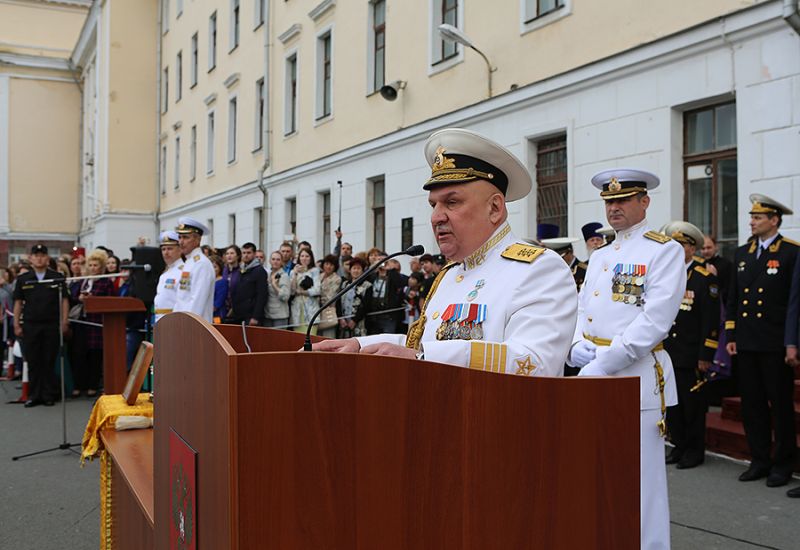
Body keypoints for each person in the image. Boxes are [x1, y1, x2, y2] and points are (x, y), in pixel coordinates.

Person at [312, 127, 576, 376]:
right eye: (433, 205)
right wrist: (359, 345)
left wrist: (424, 357)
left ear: (495, 208)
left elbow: (533, 362)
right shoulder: (450, 273)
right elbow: (421, 345)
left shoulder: (539, 269)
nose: (437, 217)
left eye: (452, 202)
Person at [567, 168, 685, 550]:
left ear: (644, 202)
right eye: (608, 202)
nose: (613, 208)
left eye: (621, 201)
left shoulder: (663, 251)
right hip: (592, 372)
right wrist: (574, 344)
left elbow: (655, 321)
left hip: (635, 378)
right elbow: (581, 308)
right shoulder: (600, 255)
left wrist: (605, 362)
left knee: (641, 482)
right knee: (595, 475)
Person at [727, 194, 798, 488]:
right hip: (746, 341)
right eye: (751, 217)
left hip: (773, 342)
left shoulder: (791, 253)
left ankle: (782, 464)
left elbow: (794, 302)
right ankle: (759, 459)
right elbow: (733, 298)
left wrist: (791, 342)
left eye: (758, 217)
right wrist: (730, 334)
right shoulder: (743, 254)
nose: (752, 222)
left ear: (774, 220)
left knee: (779, 405)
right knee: (752, 405)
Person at [661, 221, 720, 470]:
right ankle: (679, 446)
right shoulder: (665, 274)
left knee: (692, 405)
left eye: (681, 244)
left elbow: (711, 320)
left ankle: (695, 451)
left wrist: (706, 353)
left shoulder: (703, 278)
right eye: (672, 243)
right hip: (668, 351)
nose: (675, 248)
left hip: (691, 353)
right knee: (673, 404)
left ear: (691, 248)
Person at [12, 244, 69, 407]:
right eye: (36, 255)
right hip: (31, 325)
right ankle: (34, 395)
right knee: (33, 360)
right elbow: (18, 302)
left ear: (47, 258)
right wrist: (16, 324)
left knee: (49, 360)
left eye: (42, 255)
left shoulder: (57, 277)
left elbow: (64, 301)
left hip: (51, 324)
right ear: (30, 258)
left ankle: (48, 394)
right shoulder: (23, 279)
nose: (39, 258)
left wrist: (64, 321)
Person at [72, 249, 116, 397]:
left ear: (101, 266)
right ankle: (79, 385)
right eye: (90, 265)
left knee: (95, 356)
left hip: (97, 323)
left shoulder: (106, 282)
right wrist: (80, 298)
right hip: (82, 322)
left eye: (95, 265)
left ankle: (92, 386)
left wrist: (93, 299)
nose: (92, 268)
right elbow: (73, 296)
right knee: (79, 354)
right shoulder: (84, 281)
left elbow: (111, 302)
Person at [173, 217, 215, 323]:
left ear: (197, 240)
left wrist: (185, 325)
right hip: (183, 324)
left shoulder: (201, 264)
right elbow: (181, 299)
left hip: (195, 327)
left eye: (186, 237)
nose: (181, 242)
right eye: (180, 237)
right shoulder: (190, 262)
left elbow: (197, 302)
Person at [227, 242, 267, 326]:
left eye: (249, 253)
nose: (246, 255)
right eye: (244, 253)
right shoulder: (241, 269)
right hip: (239, 314)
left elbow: (262, 295)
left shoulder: (259, 271)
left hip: (251, 315)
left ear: (254, 254)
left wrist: (255, 317)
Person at [336, 256, 372, 338]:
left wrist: (354, 320)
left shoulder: (367, 285)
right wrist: (341, 318)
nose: (356, 271)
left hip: (359, 323)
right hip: (344, 322)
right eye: (354, 268)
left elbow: (366, 305)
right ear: (350, 270)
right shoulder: (344, 284)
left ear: (362, 271)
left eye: (358, 268)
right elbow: (338, 302)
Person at [153, 231, 185, 323]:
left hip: (174, 321)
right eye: (163, 249)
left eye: (170, 249)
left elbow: (182, 302)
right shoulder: (165, 274)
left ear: (179, 250)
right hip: (160, 319)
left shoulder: (183, 272)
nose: (166, 253)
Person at [290, 248, 321, 334]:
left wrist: (301, 292)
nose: (304, 258)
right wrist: (295, 273)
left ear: (311, 258)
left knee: (311, 338)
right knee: (298, 339)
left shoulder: (315, 271)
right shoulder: (293, 272)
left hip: (311, 309)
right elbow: (292, 291)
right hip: (297, 310)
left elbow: (317, 290)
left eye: (307, 256)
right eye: (302, 256)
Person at [701, 235, 733, 303]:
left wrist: (714, 278)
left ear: (716, 247)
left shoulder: (726, 264)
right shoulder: (699, 265)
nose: (706, 251)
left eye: (709, 248)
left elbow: (729, 289)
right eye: (703, 248)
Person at [317, 255, 342, 338]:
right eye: (327, 264)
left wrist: (317, 292)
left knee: (328, 337)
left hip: (328, 309)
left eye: (331, 265)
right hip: (317, 310)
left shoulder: (336, 279)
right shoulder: (319, 276)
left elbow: (330, 296)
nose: (328, 267)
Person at [264, 251, 291, 328]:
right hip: (267, 314)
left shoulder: (284, 276)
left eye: (278, 259)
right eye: (273, 259)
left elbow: (285, 296)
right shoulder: (267, 275)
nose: (275, 261)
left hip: (280, 316)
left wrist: (274, 285)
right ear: (269, 261)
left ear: (282, 262)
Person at [222, 245, 242, 317]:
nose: (229, 256)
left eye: (232, 253)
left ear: (238, 256)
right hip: (223, 308)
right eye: (227, 254)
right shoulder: (223, 270)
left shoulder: (241, 271)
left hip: (237, 309)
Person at [210, 256, 228, 323]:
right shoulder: (208, 281)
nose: (213, 269)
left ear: (220, 267)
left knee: (217, 329)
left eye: (215, 267)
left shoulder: (222, 281)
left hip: (218, 314)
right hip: (209, 313)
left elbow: (219, 302)